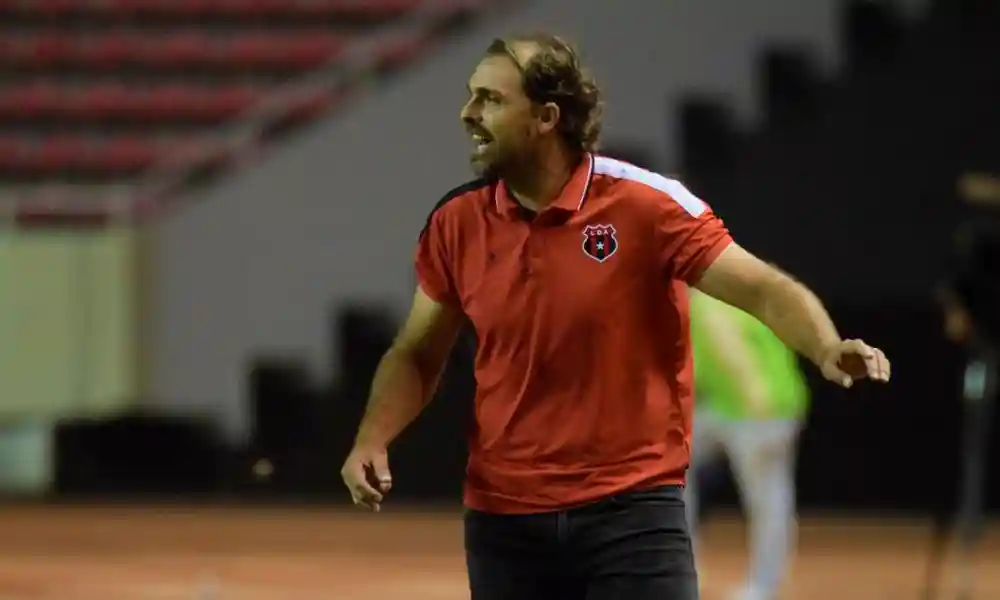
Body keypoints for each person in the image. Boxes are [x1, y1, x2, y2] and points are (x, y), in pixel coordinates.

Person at [340, 33, 891, 600]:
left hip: (631, 517)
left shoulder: (647, 205)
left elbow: (764, 289)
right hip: (504, 522)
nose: (468, 113)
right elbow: (417, 352)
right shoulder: (455, 223)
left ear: (546, 116)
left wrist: (826, 347)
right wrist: (372, 439)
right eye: (471, 96)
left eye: (490, 99)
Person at [684, 288, 810, 600]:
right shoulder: (724, 298)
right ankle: (684, 562)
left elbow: (732, 352)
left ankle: (763, 587)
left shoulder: (705, 307)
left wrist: (758, 402)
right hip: (733, 410)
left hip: (762, 413)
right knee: (670, 459)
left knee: (767, 498)